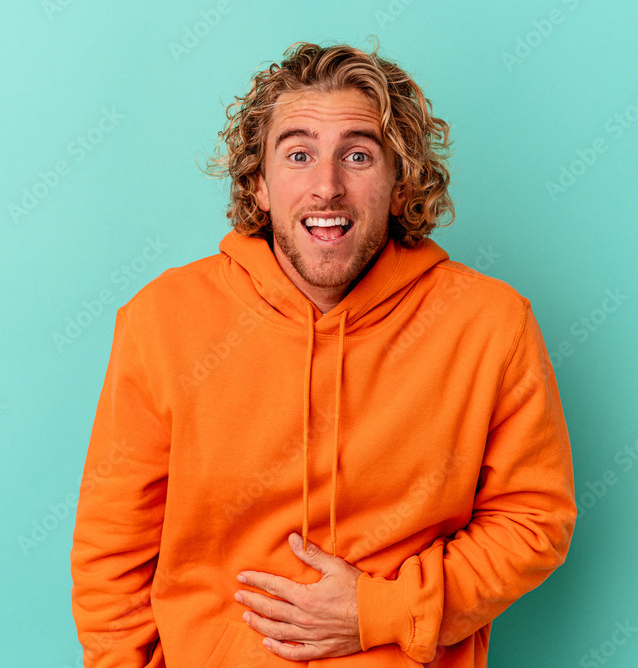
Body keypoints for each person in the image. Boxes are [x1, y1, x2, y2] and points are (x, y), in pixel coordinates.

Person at [70, 40, 576, 667]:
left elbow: (532, 521)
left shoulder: (490, 323)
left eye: (358, 155)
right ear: (258, 184)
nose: (327, 186)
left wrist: (382, 612)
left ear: (399, 184)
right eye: (299, 154)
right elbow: (112, 548)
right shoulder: (162, 320)